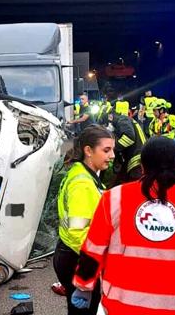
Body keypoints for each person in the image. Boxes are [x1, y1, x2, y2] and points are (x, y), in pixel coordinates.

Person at [71, 137, 175, 314]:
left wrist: (83, 286)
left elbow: (93, 250)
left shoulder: (113, 199)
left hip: (122, 307)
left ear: (143, 166)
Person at [54, 125, 115, 315]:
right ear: (88, 151)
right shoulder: (83, 184)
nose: (112, 155)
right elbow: (78, 232)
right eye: (106, 150)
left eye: (112, 149)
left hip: (69, 254)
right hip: (78, 259)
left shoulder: (79, 172)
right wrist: (98, 262)